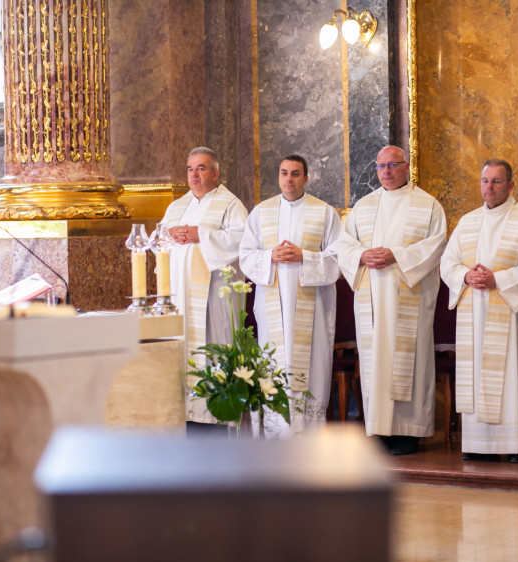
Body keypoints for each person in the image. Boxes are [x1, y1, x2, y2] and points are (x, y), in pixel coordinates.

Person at [332, 145, 447, 455]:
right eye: (381, 166)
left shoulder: (428, 205)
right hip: (372, 299)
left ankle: (409, 434)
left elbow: (436, 245)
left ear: (406, 167)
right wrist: (361, 255)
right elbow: (343, 245)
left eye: (393, 165)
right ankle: (381, 430)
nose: (386, 171)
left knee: (409, 361)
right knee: (376, 362)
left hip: (409, 296)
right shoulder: (364, 206)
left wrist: (397, 255)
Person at [440, 159, 518, 463]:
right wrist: (465, 276)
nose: (489, 187)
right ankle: (478, 444)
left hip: (511, 316)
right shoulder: (468, 221)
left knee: (511, 374)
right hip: (474, 312)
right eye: (484, 181)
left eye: (496, 181)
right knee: (476, 374)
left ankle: (515, 443)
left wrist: (497, 280)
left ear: (510, 185)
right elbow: (447, 262)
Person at [239, 154, 341, 437]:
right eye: (284, 173)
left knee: (311, 364)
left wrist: (304, 256)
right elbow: (245, 255)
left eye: (295, 174)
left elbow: (338, 257)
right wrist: (270, 256)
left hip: (312, 308)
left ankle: (308, 434)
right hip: (273, 305)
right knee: (274, 362)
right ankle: (277, 433)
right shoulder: (261, 212)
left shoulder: (325, 213)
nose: (289, 179)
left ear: (306, 178)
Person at [162, 147, 248, 426]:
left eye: (201, 168)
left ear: (215, 173)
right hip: (181, 295)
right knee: (185, 344)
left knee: (215, 344)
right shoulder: (176, 207)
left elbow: (243, 240)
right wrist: (169, 235)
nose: (194, 175)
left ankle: (219, 417)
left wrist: (202, 235)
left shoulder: (230, 204)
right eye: (190, 169)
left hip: (216, 294)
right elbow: (157, 241)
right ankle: (187, 415)